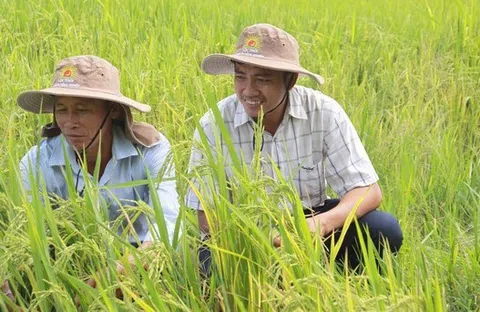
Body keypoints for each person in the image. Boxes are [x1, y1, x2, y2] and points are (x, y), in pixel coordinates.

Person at [186, 23, 403, 273]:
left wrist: (320, 224)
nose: (247, 90)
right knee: (211, 265)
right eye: (240, 77)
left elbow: (367, 190)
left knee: (383, 229)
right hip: (243, 233)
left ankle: (341, 282)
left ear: (290, 80)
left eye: (262, 79)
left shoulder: (323, 111)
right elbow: (206, 216)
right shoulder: (213, 124)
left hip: (311, 221)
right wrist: (263, 239)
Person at [3, 55, 179, 302]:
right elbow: (27, 233)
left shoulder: (151, 151)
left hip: (140, 263)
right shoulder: (37, 161)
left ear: (114, 112)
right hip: (67, 268)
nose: (69, 123)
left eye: (82, 110)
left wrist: (126, 266)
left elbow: (168, 225)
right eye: (62, 110)